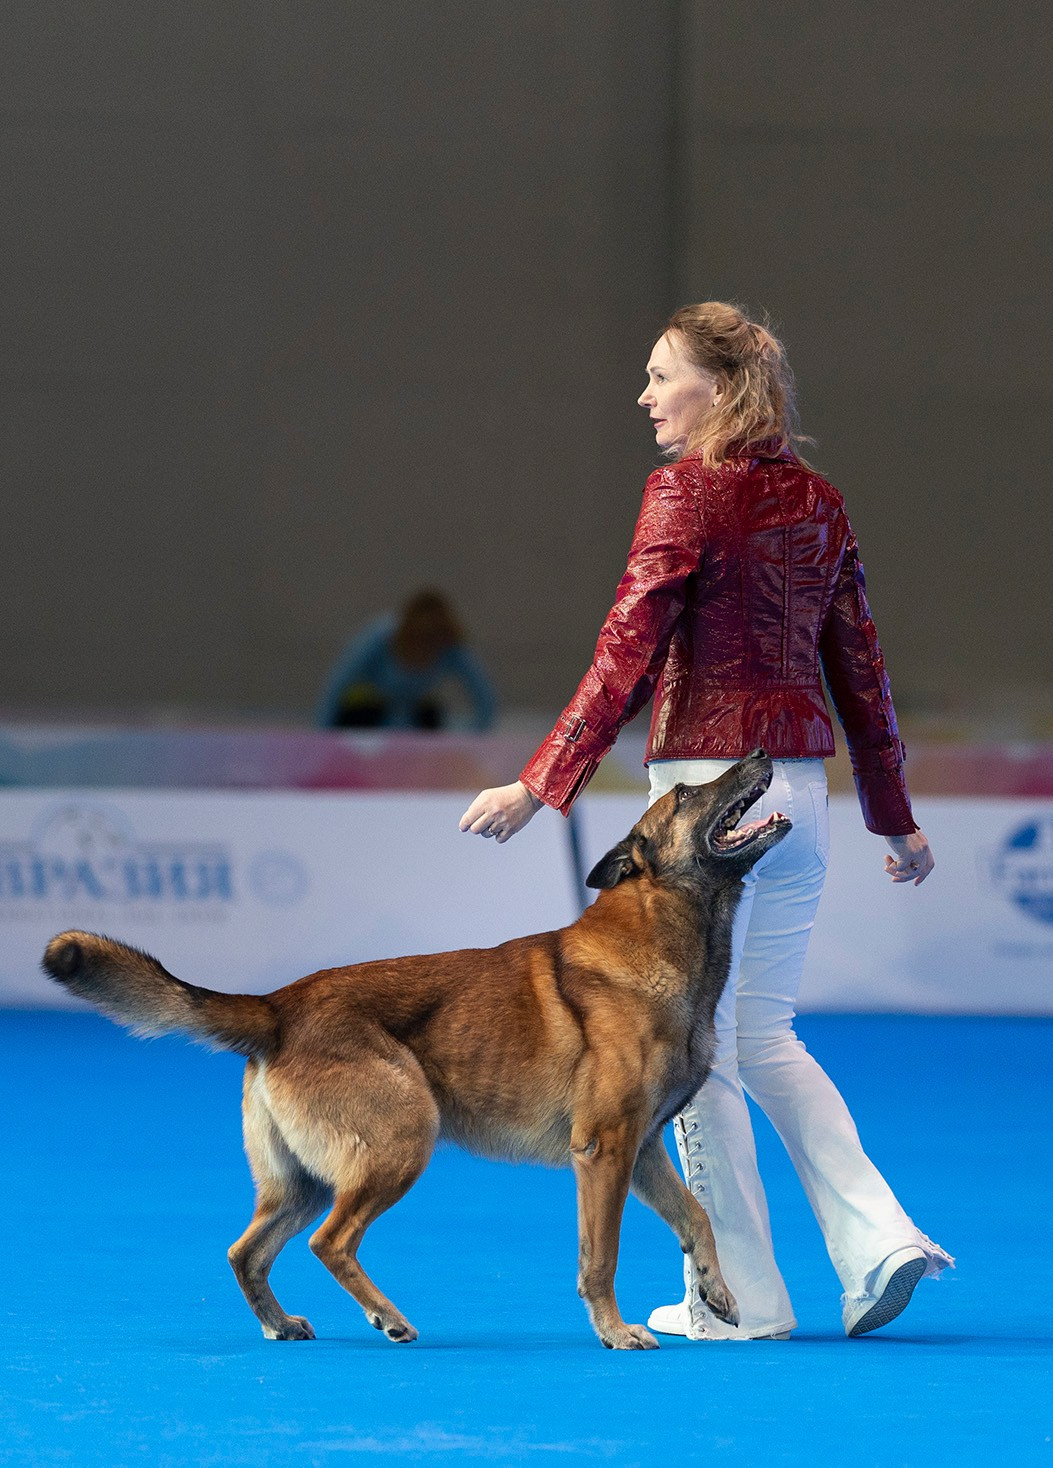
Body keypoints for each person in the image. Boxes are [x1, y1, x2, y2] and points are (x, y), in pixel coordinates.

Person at [459, 302, 950, 1340]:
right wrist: (893, 815)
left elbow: (624, 647)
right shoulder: (819, 501)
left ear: (719, 389)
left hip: (701, 799)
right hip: (798, 795)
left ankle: (737, 1302)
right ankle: (880, 1241)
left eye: (658, 376)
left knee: (702, 1057)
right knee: (765, 1035)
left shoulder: (681, 492)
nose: (642, 395)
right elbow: (860, 667)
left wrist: (539, 781)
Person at [319, 589, 497, 732]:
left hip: (414, 717)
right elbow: (338, 685)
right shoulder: (380, 637)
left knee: (431, 715)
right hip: (368, 713)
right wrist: (322, 734)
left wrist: (473, 736)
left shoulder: (450, 646)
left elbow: (484, 699)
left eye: (432, 643)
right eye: (420, 641)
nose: (425, 648)